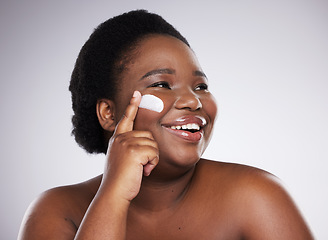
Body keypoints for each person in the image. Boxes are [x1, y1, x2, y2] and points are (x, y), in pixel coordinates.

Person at [18, 10, 314, 239]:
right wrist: (113, 196)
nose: (192, 101)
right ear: (108, 113)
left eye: (201, 87)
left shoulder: (257, 196)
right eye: (162, 83)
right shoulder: (57, 211)